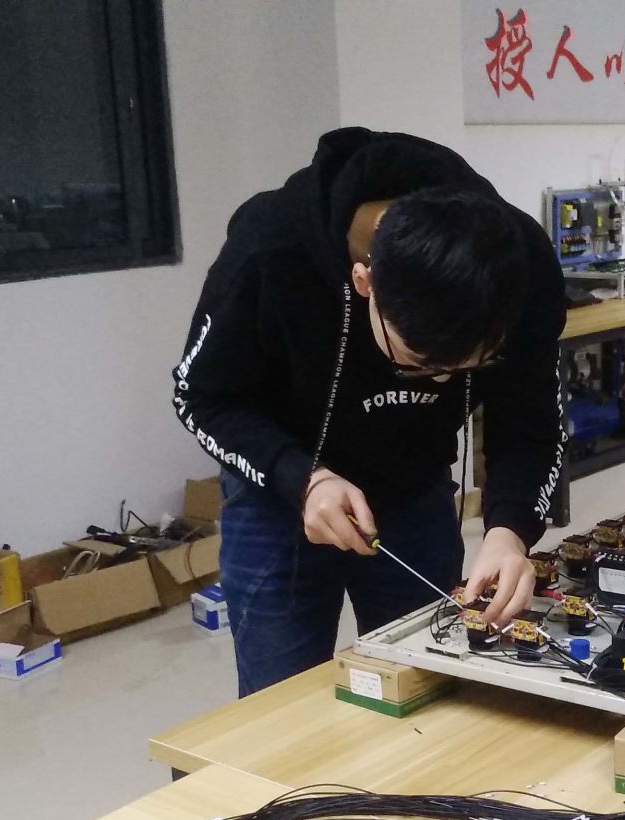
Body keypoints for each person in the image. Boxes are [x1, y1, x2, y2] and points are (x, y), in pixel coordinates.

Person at [173, 128, 564, 696]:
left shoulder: (521, 269)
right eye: (419, 364)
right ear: (365, 282)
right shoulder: (269, 252)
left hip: (414, 489)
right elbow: (201, 397)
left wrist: (509, 532)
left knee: (431, 688)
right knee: (281, 705)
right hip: (280, 494)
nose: (441, 383)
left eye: (469, 368)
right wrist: (302, 479)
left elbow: (532, 424)